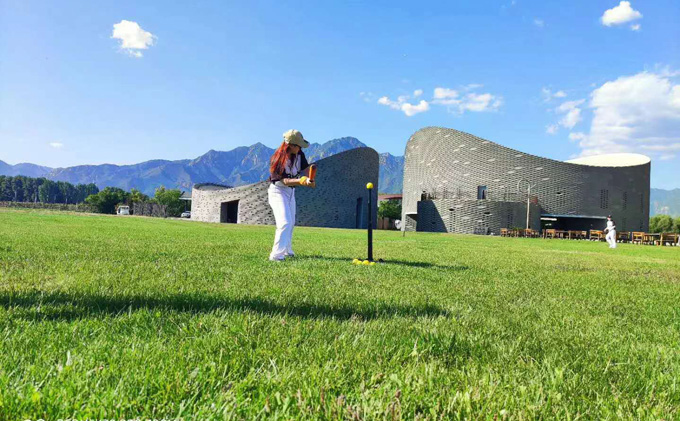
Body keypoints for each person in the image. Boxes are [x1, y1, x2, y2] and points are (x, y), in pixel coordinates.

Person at [267, 129, 315, 261]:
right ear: (291, 145)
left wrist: (308, 178)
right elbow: (284, 181)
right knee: (285, 222)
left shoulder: (299, 154)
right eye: (299, 145)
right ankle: (276, 256)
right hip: (278, 191)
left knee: (291, 222)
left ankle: (287, 249)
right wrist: (301, 181)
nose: (300, 148)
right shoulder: (277, 159)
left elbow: (305, 168)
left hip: (290, 191)